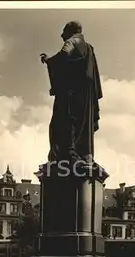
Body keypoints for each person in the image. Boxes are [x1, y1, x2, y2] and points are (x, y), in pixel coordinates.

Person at [40, 21, 103, 164]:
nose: (62, 35)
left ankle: (68, 152)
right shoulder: (89, 48)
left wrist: (49, 60)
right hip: (86, 93)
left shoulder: (71, 41)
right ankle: (85, 154)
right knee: (83, 122)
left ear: (70, 31)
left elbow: (64, 55)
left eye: (64, 31)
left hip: (71, 91)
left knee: (62, 121)